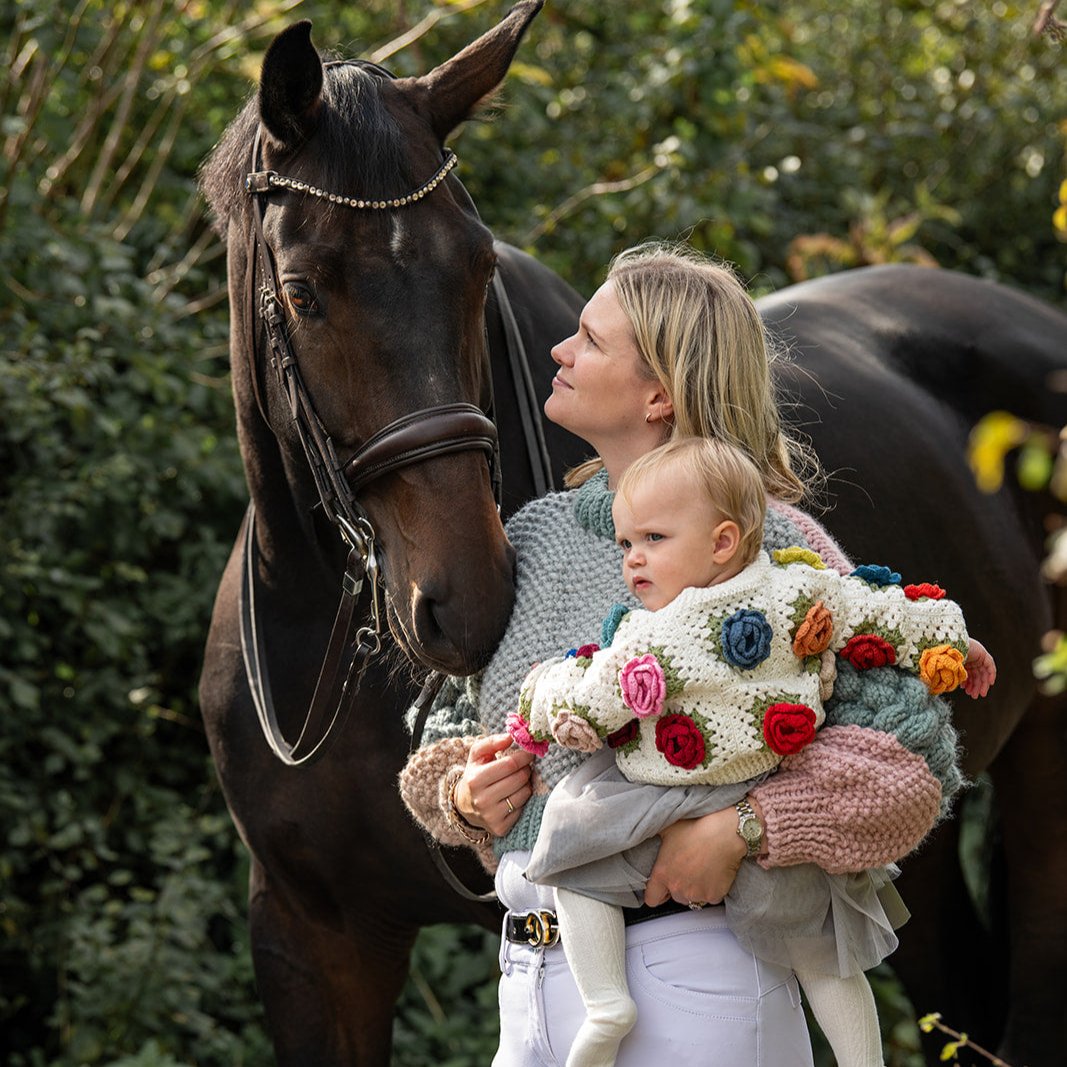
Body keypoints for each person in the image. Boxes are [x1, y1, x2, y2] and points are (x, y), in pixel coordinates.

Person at [399, 243, 971, 1067]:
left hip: (696, 972)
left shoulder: (773, 548)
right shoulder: (530, 537)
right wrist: (464, 792)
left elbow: (909, 763)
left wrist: (746, 827)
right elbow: (446, 732)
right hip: (530, 978)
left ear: (659, 392)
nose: (558, 350)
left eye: (590, 341)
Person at [508, 435, 995, 1067]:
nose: (633, 561)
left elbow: (589, 700)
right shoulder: (799, 588)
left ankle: (605, 1002)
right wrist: (957, 639)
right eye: (626, 544)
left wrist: (539, 696)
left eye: (653, 540)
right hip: (767, 777)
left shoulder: (650, 639)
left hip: (663, 793)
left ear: (722, 541)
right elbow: (883, 613)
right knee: (819, 947)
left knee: (570, 837)